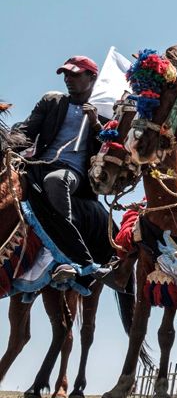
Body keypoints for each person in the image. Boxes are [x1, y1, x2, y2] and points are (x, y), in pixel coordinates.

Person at [18, 56, 110, 283]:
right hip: (38, 165)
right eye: (66, 74)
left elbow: (109, 151)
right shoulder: (51, 101)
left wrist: (97, 124)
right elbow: (26, 132)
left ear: (92, 77)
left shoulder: (105, 114)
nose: (68, 79)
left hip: (71, 172)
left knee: (55, 181)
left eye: (75, 74)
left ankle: (74, 258)